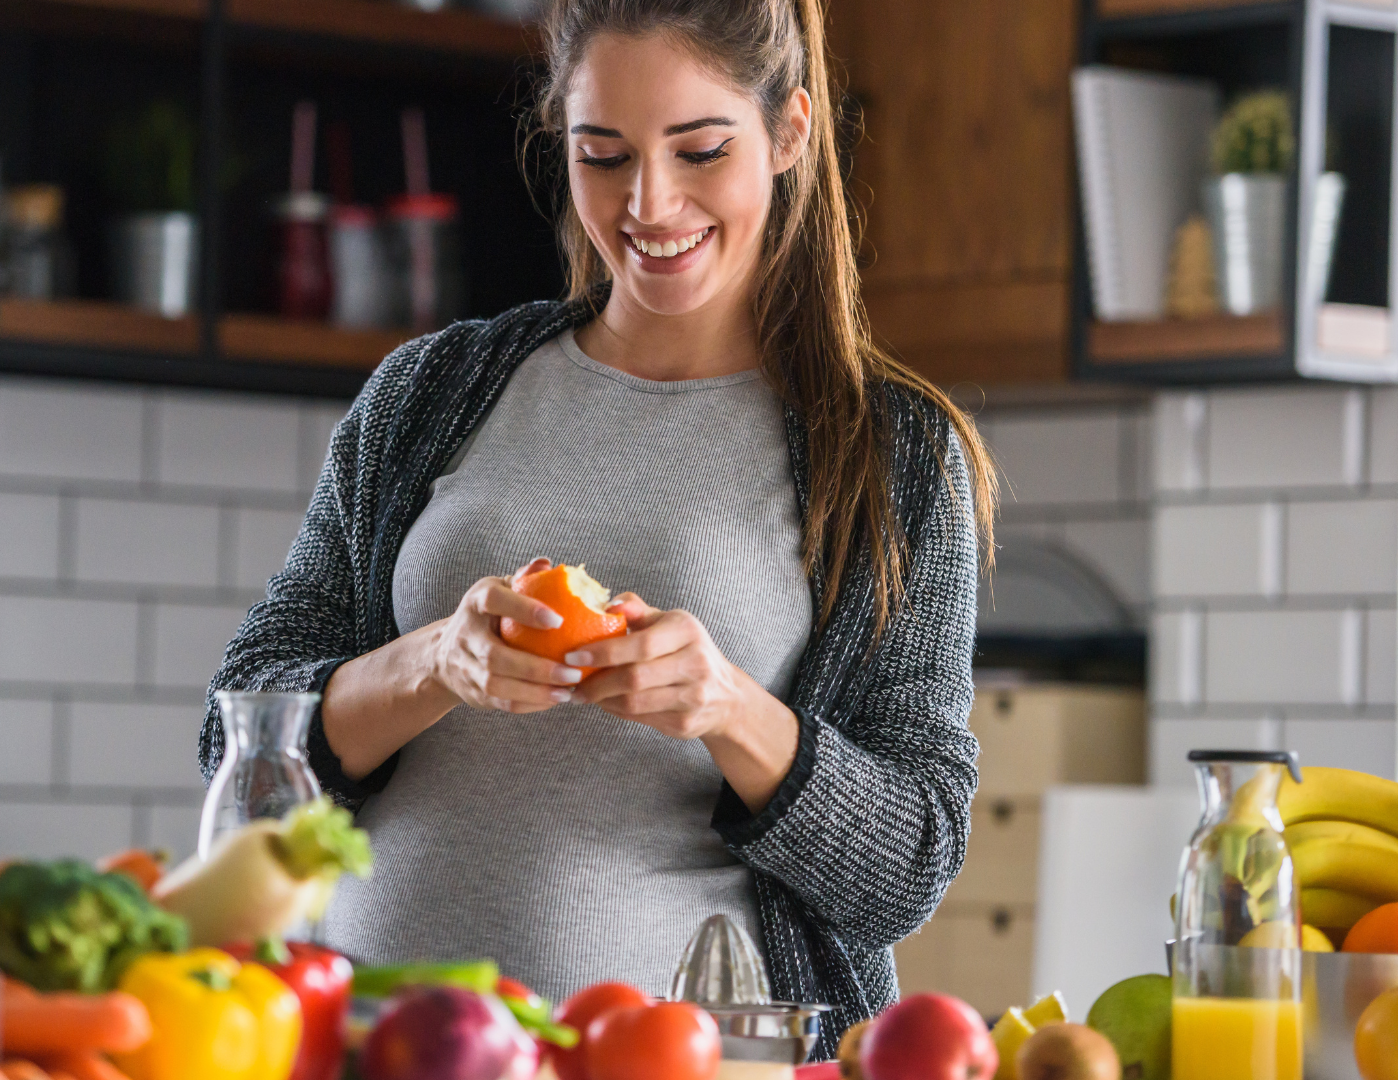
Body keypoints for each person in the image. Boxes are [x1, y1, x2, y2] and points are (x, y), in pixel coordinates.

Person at [200, 0, 997, 1049]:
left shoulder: (890, 451)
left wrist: (728, 708)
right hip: (368, 1047)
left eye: (701, 150)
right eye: (603, 154)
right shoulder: (430, 392)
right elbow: (238, 746)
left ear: (791, 131)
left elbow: (909, 864)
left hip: (699, 1063)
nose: (649, 203)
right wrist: (437, 661)